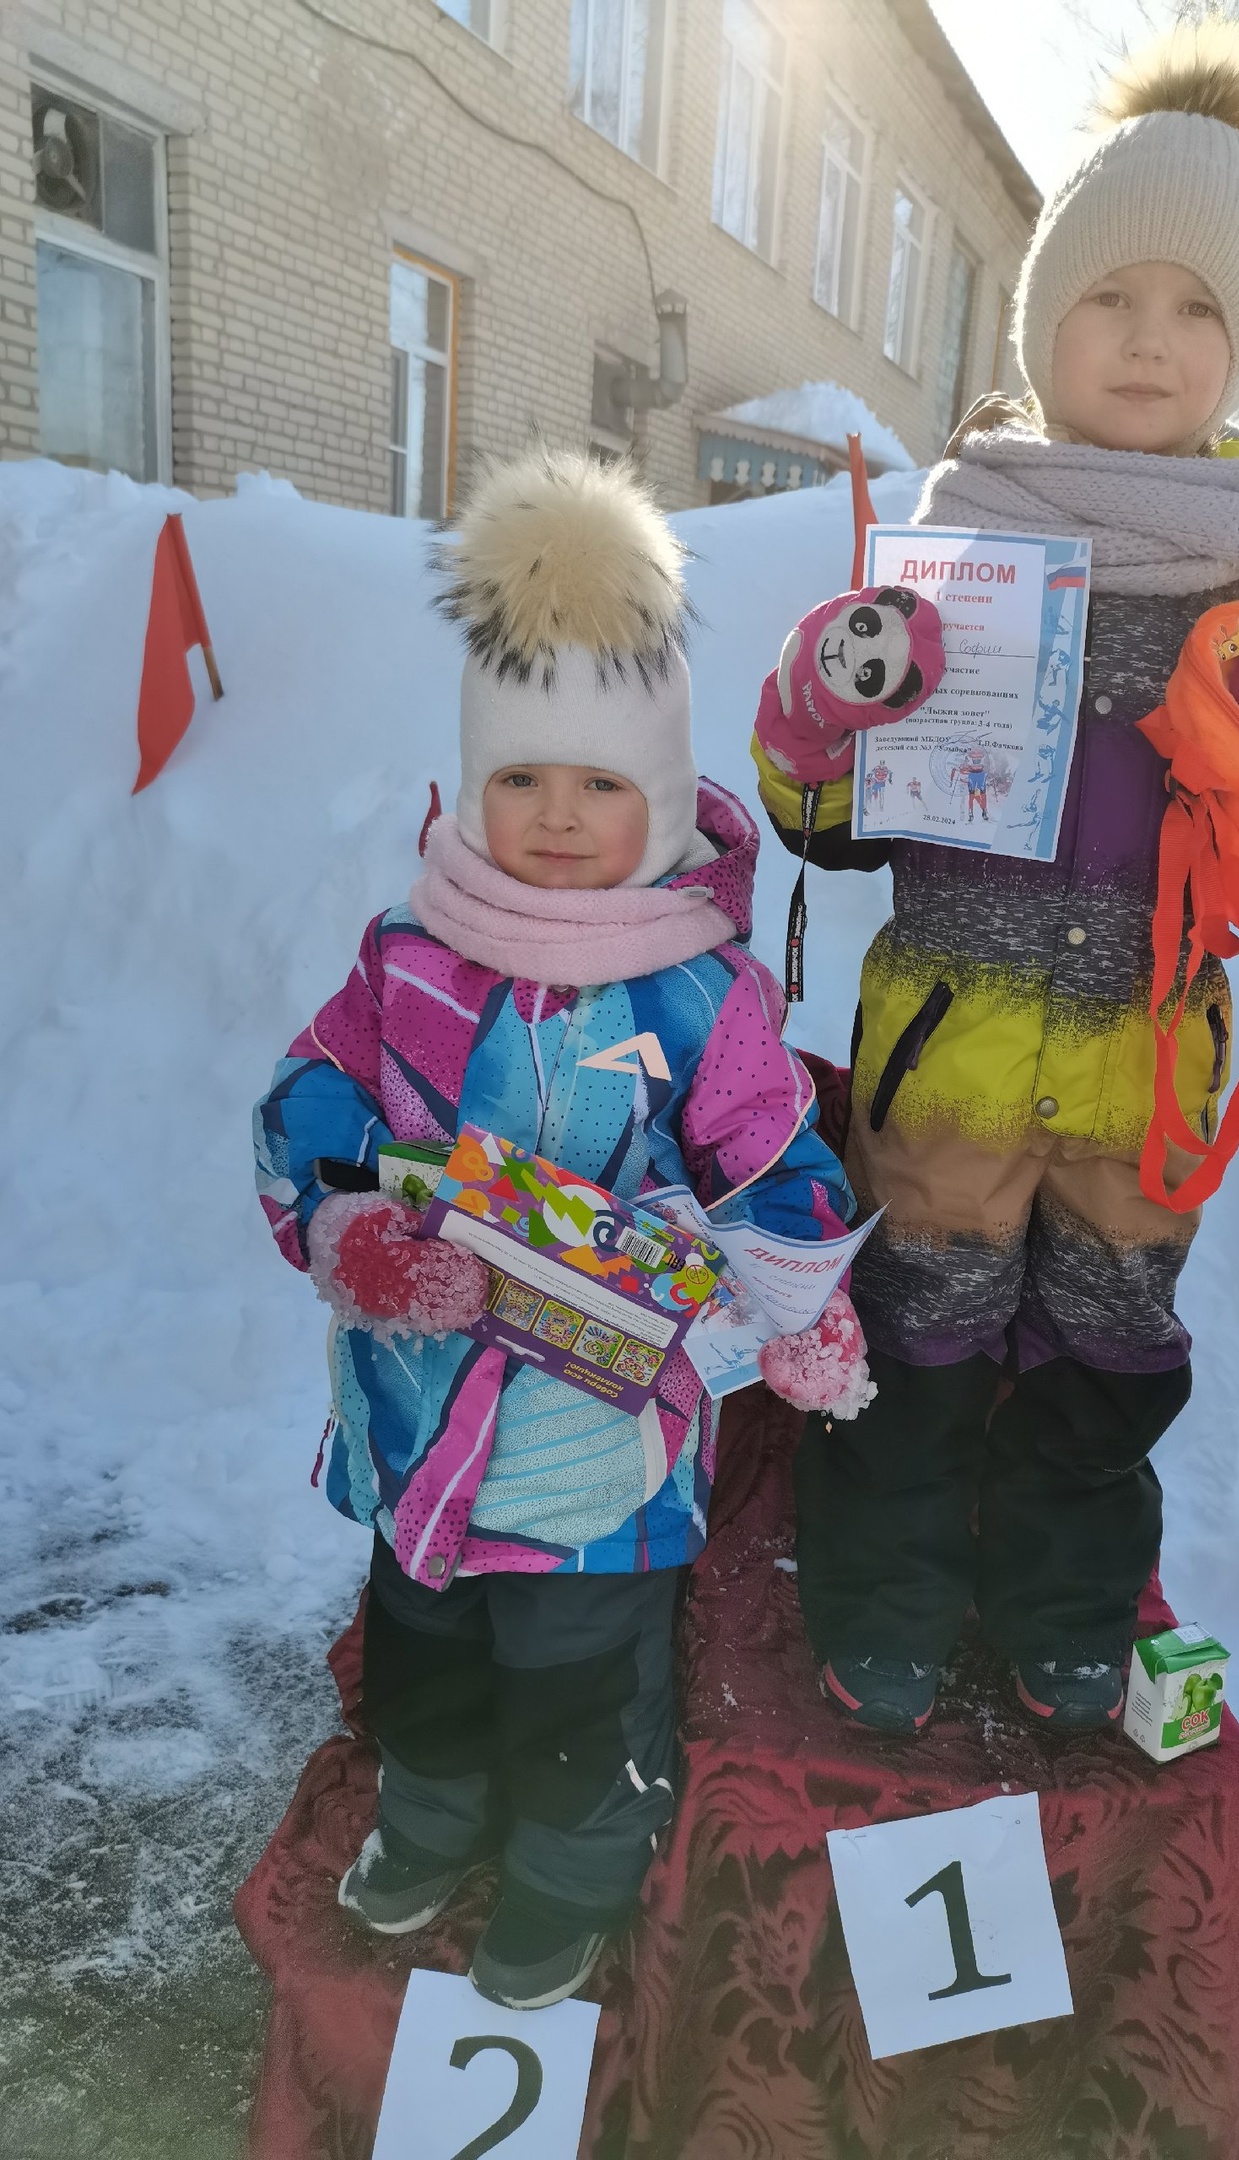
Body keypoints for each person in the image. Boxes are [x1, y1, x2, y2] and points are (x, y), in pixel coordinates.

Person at [750, 21, 1239, 1736]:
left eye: (1199, 307)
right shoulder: (956, 555)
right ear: (1040, 320)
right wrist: (825, 710)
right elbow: (828, 817)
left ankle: (1065, 1612)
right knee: (917, 1346)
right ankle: (889, 1605)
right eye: (1111, 295)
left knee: (1105, 1366)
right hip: (949, 1064)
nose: (1150, 337)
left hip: (1148, 1082)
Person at [254, 451, 868, 2007]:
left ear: (656, 794)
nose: (557, 816)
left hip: (598, 1447)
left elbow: (775, 1164)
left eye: (601, 784)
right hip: (417, 1413)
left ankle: (573, 1869)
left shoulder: (700, 990)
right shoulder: (410, 956)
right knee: (425, 1646)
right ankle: (430, 1814)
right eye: (522, 778)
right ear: (474, 785)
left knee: (577, 1679)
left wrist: (801, 1306)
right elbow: (309, 1106)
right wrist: (350, 1233)